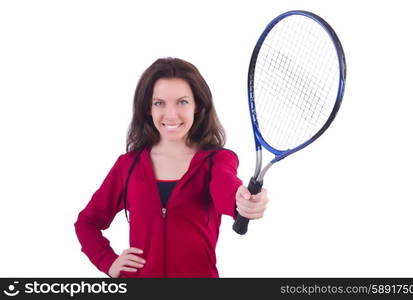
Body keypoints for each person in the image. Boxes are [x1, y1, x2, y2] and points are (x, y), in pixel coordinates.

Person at [74, 57, 269, 278]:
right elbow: (87, 223)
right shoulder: (127, 166)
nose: (171, 114)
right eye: (159, 103)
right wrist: (108, 262)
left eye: (182, 102)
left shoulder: (217, 161)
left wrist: (241, 201)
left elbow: (226, 187)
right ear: (148, 108)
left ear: (198, 105)